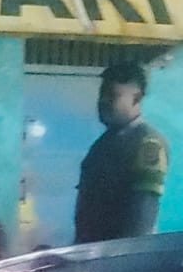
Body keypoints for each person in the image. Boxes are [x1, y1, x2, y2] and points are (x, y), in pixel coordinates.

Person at [73, 61, 170, 243]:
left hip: (118, 255)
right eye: (102, 94)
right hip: (94, 251)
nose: (103, 101)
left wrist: (125, 257)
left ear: (136, 98)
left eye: (112, 95)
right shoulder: (104, 143)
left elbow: (142, 220)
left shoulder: (147, 143)